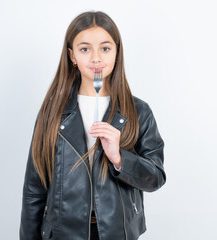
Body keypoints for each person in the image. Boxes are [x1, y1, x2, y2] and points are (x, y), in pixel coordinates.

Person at [19, 10, 166, 240]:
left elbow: (155, 177)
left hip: (117, 232)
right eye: (85, 49)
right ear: (72, 55)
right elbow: (33, 190)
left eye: (105, 48)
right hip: (63, 233)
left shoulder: (138, 111)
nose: (96, 58)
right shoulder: (52, 112)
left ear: (117, 53)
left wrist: (119, 158)